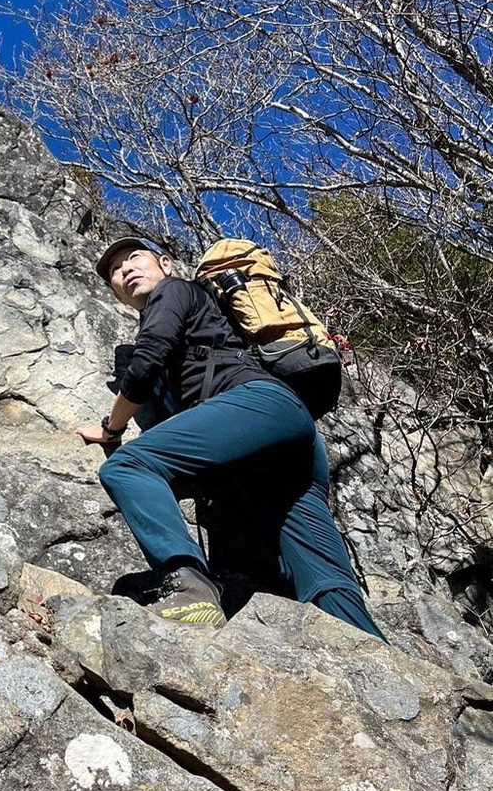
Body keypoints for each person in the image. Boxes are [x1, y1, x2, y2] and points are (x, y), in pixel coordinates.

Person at [77, 235, 386, 640]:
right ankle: (373, 656)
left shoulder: (175, 291)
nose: (125, 269)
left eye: (134, 257)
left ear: (166, 264)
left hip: (259, 408)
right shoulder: (203, 319)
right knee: (320, 576)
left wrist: (111, 430)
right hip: (285, 439)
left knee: (128, 466)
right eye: (116, 271)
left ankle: (185, 584)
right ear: (116, 293)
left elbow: (148, 358)